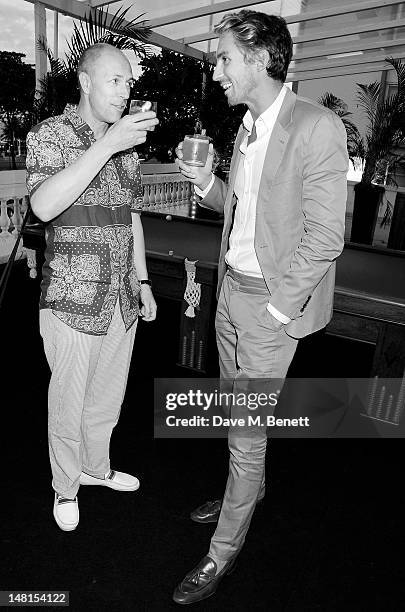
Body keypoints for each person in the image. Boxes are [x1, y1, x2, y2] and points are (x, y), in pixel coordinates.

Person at [174, 10, 348, 604]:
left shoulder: (316, 127)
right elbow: (243, 213)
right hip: (230, 297)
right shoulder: (246, 127)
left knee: (247, 437)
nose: (216, 68)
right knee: (233, 412)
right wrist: (204, 185)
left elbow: (325, 236)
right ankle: (244, 493)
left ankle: (221, 553)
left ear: (258, 57)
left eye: (223, 57)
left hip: (269, 310)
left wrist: (276, 312)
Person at [26, 43, 158, 532]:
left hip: (119, 297)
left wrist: (142, 280)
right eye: (115, 81)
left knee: (106, 399)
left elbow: (132, 219)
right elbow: (42, 207)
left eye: (128, 82)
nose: (126, 92)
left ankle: (94, 468)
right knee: (68, 402)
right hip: (72, 300)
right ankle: (65, 487)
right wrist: (107, 145)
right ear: (85, 82)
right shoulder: (50, 135)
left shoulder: (129, 149)